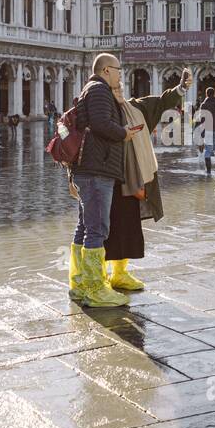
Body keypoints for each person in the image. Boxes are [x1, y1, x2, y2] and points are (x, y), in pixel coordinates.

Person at [101, 65, 192, 296]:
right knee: (102, 229)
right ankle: (98, 276)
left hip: (131, 181)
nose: (119, 90)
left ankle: (119, 274)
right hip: (106, 180)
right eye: (114, 88)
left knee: (128, 227)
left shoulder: (136, 108)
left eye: (120, 86)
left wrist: (181, 88)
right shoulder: (100, 111)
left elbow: (162, 102)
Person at [66, 53, 133, 308]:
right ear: (106, 70)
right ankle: (95, 289)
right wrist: (123, 133)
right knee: (97, 229)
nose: (119, 74)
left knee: (85, 226)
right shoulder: (99, 90)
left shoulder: (92, 89)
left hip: (91, 169)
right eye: (118, 70)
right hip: (96, 170)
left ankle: (80, 283)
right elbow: (101, 123)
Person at [198, 86, 215, 175]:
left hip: (208, 130)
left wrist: (201, 133)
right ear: (214, 94)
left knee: (208, 150)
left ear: (206, 94)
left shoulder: (204, 104)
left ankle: (208, 172)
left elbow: (202, 120)